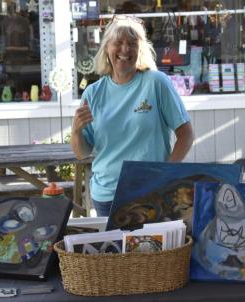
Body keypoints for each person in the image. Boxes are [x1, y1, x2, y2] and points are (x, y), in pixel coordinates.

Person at [71, 15, 194, 217]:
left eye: (132, 43)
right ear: (106, 48)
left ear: (140, 49)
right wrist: (76, 131)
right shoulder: (93, 93)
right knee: (114, 249)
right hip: (107, 195)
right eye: (118, 43)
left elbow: (186, 135)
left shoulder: (156, 82)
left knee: (153, 248)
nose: (125, 50)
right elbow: (82, 153)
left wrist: (166, 175)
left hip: (151, 192)